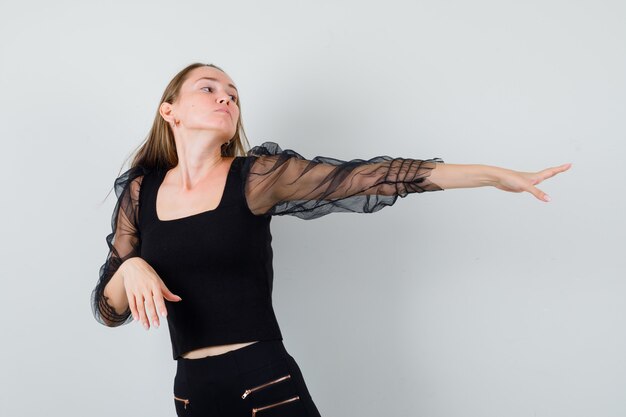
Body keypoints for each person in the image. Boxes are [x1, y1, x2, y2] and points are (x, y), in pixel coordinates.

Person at [90, 62, 571, 417]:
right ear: (169, 110)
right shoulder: (140, 191)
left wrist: (492, 176)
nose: (226, 99)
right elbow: (110, 310)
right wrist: (129, 267)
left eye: (234, 95)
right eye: (209, 88)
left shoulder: (256, 177)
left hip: (263, 381)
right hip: (191, 393)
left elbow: (373, 177)